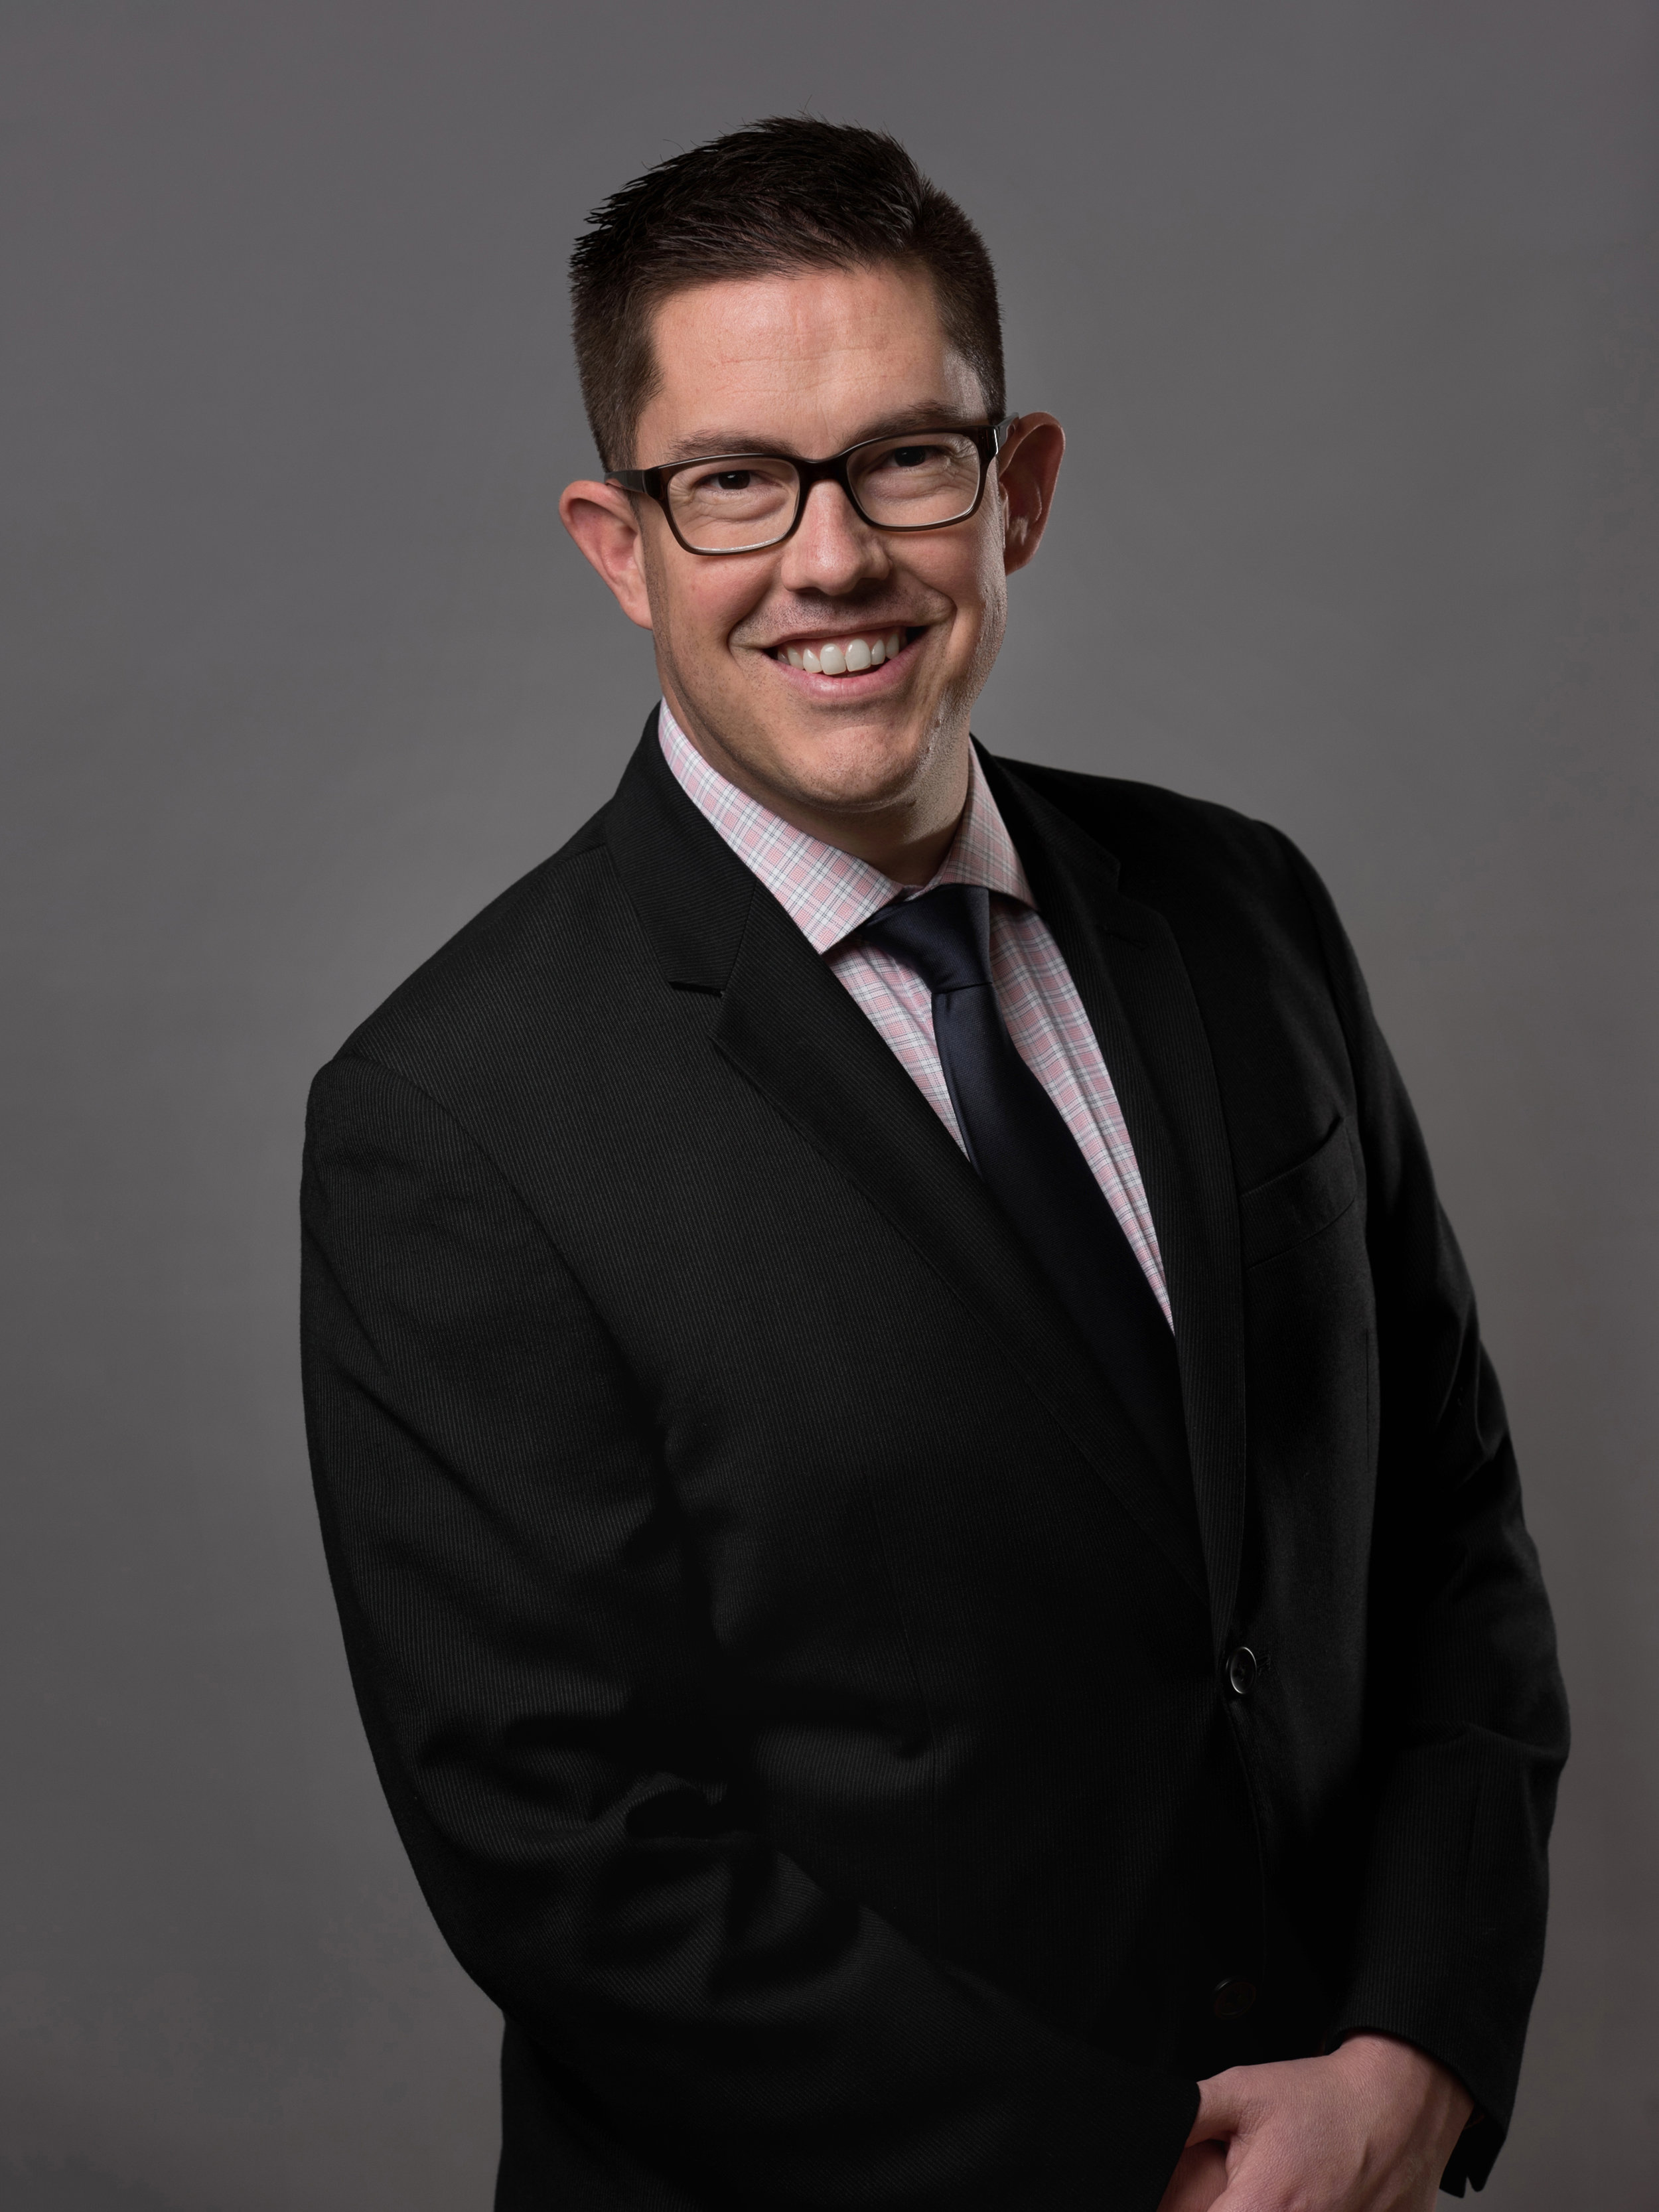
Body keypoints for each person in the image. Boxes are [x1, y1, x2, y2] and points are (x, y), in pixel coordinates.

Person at [300, 117, 1567, 2211]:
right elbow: (567, 1847)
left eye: (905, 459)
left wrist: (1416, 2040)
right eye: (733, 485)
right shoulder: (453, 1118)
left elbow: (1445, 1521)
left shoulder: (1238, 910)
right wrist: (1133, 2166)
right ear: (618, 544)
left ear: (1019, 492)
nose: (831, 559)